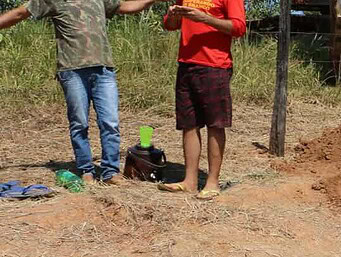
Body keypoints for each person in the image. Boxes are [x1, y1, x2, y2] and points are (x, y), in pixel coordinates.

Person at [0, 0, 156, 185]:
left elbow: (125, 7)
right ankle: (86, 171)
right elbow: (19, 13)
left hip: (103, 70)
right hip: (72, 71)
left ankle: (110, 173)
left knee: (110, 123)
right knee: (79, 123)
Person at [157, 0, 246, 200]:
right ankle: (189, 181)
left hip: (215, 65)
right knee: (189, 124)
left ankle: (212, 182)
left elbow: (239, 27)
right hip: (186, 64)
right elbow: (170, 26)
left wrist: (205, 18)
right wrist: (173, 16)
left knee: (215, 124)